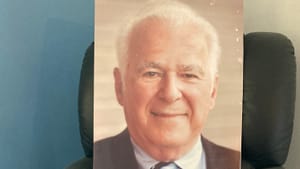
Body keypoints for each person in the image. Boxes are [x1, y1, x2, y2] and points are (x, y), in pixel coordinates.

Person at [94, 1, 240, 169]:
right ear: (120, 87)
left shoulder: (238, 163)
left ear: (212, 91)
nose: (170, 94)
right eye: (151, 73)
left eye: (189, 75)